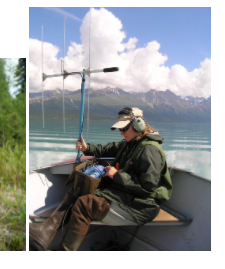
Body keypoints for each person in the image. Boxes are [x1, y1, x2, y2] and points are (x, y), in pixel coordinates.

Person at [29, 107, 172, 251]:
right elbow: (106, 149)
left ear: (138, 125)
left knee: (85, 205)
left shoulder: (149, 150)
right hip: (128, 196)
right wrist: (86, 148)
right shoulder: (130, 144)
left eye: (124, 129)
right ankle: (44, 234)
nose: (121, 133)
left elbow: (148, 187)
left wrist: (116, 175)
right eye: (119, 130)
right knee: (80, 187)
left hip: (141, 206)